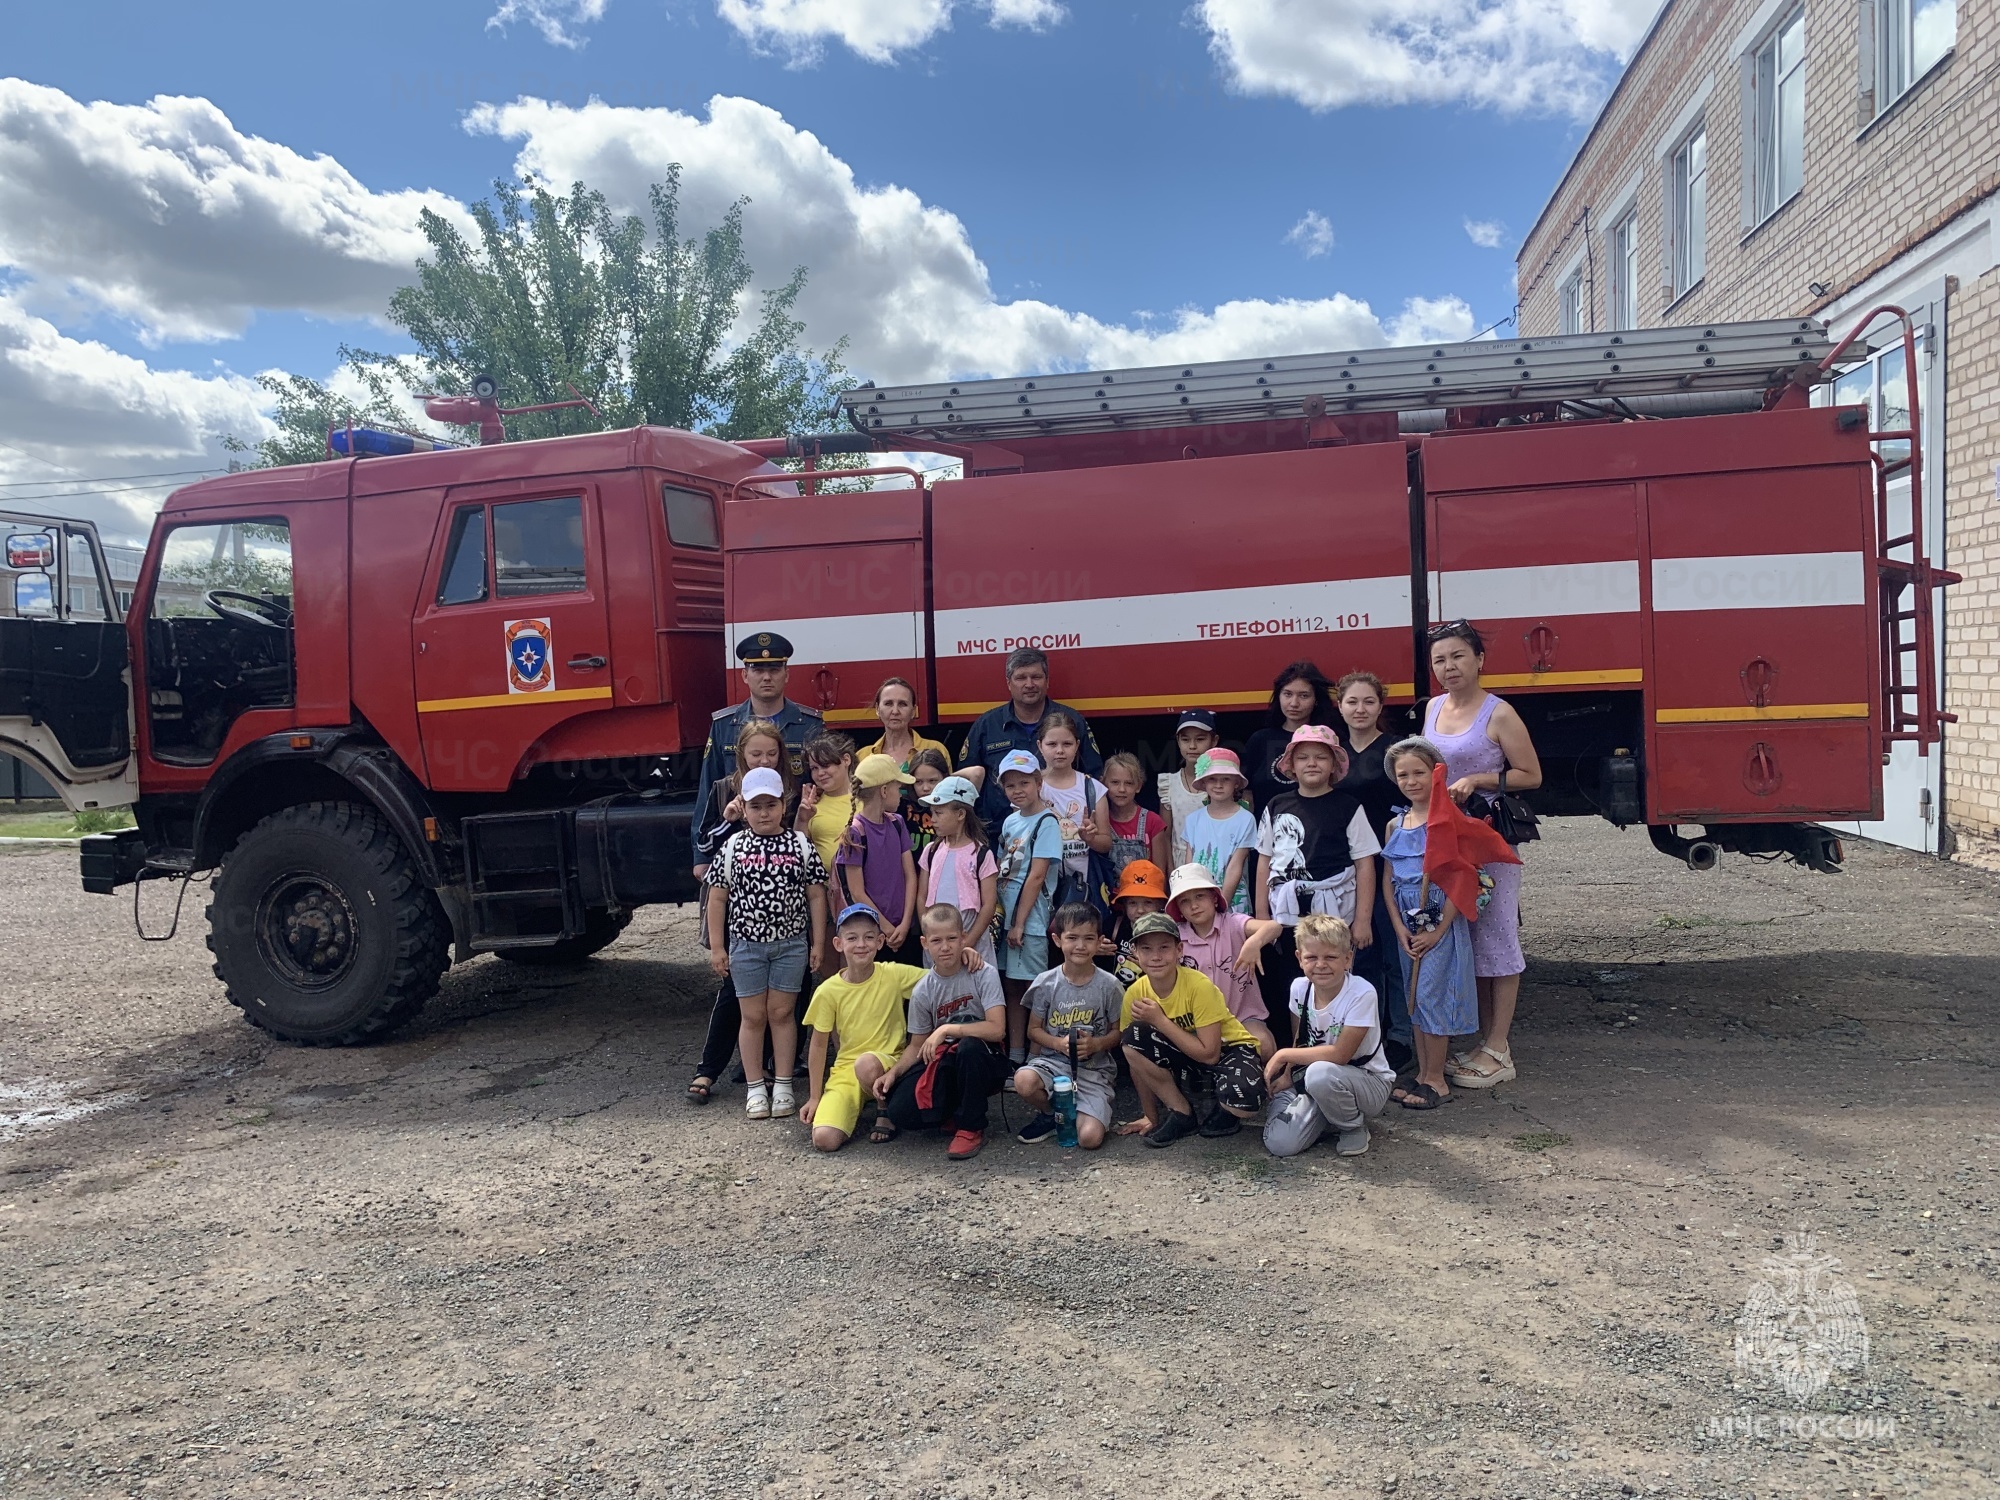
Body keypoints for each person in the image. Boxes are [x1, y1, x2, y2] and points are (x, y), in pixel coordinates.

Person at [1423, 621, 1542, 1090]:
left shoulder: (1500, 714)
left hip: (1488, 839)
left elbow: (1531, 774)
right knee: (1466, 935)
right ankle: (1482, 1043)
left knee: (1498, 937)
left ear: (1478, 660)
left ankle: (1499, 1049)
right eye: (1439, 660)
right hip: (1446, 838)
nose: (1448, 667)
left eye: (1457, 657)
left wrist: (1479, 780)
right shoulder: (1433, 708)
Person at [703, 768, 831, 1121]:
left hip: (790, 945)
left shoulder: (799, 844)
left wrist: (817, 943)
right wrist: (718, 947)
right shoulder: (732, 847)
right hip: (746, 946)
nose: (764, 813)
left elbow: (816, 896)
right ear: (743, 808)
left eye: (771, 805)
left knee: (782, 1013)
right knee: (753, 1015)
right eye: (756, 806)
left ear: (783, 805)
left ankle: (785, 1083)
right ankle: (756, 1086)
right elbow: (716, 899)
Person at [1252, 724, 1381, 1051]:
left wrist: (1362, 920)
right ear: (1290, 766)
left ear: (1334, 765)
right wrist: (1262, 917)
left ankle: (1338, 1048)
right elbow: (1264, 862)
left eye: (1321, 757)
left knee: (1331, 977)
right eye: (1304, 757)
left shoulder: (1348, 807)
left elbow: (1364, 863)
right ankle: (1293, 1050)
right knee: (1290, 984)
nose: (1312, 763)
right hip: (1285, 918)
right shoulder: (1276, 805)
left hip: (1334, 915)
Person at [688, 719, 795, 1107]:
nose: (763, 759)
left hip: (782, 906)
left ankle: (767, 1068)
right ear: (741, 756)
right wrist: (729, 819)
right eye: (755, 754)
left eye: (770, 753)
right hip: (733, 901)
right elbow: (702, 840)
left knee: (780, 996)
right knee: (735, 988)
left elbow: (797, 836)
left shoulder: (789, 790)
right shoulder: (722, 790)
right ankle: (710, 1067)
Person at [1381, 738, 1479, 1110]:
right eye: (1403, 775)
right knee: (1414, 998)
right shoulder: (1395, 824)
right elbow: (1389, 882)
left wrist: (1438, 930)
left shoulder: (1447, 820)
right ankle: (1422, 1072)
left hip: (1438, 920)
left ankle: (1437, 1079)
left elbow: (1462, 880)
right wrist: (1398, 927)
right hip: (1407, 922)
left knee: (1431, 996)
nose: (1411, 781)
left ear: (1435, 773)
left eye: (1418, 772)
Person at [1117, 912, 1268, 1146]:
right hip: (1186, 1053)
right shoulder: (1135, 993)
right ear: (1135, 953)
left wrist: (1161, 1020)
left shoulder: (1198, 985)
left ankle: (1221, 1109)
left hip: (1229, 1049)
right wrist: (1151, 1116)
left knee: (1244, 1101)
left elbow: (1210, 1054)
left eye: (1164, 948)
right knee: (1132, 1038)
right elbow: (1134, 1058)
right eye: (1146, 949)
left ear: (1179, 950)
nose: (1156, 956)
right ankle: (1181, 1112)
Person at [875, 905, 1008, 1159]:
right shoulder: (923, 989)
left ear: (963, 937)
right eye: (937, 941)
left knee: (969, 1047)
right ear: (925, 943)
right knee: (900, 1111)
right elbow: (917, 1045)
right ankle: (952, 1112)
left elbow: (997, 1029)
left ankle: (971, 1127)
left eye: (951, 939)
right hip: (945, 1061)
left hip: (985, 1059)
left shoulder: (983, 973)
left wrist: (946, 1028)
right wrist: (892, 1073)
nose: (945, 947)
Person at [1333, 670, 1412, 1074]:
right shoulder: (1333, 752)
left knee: (1396, 953)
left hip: (1391, 864)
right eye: (1352, 702)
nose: (1360, 709)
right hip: (1347, 868)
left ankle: (1401, 1035)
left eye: (1368, 701)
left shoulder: (1394, 751)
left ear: (1380, 705)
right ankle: (1366, 1031)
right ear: (1340, 706)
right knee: (1361, 956)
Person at [1261, 914, 1393, 1157]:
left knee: (1320, 1074)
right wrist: (1289, 1074)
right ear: (1299, 959)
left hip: (1367, 1081)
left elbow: (1340, 1055)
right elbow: (1301, 1040)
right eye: (1311, 957)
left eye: (1331, 957)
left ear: (1347, 959)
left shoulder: (1362, 993)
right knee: (1280, 1144)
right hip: (1317, 1078)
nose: (1321, 965)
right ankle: (1306, 1107)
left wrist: (1282, 1056)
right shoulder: (1299, 988)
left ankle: (1352, 1126)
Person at [690, 632, 822, 870]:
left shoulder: (810, 726)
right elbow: (707, 790)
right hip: (737, 849)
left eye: (774, 669)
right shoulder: (724, 725)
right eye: (758, 670)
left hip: (794, 844)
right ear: (744, 675)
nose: (767, 677)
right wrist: (701, 858)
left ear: (787, 674)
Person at [800, 905, 923, 1152]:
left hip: (888, 1063)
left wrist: (963, 955)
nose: (861, 945)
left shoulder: (894, 974)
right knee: (824, 1139)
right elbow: (818, 1044)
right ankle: (864, 1099)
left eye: (869, 937)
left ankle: (884, 1109)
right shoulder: (828, 990)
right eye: (852, 938)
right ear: (838, 944)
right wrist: (814, 1096)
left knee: (866, 1064)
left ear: (880, 942)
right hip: (847, 1068)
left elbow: (939, 978)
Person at [1013, 904, 1125, 1150]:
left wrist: (1096, 1044)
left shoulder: (1110, 986)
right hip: (1053, 1064)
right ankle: (1052, 1115)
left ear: (1099, 942)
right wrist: (1058, 1044)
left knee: (1089, 1139)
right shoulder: (1045, 983)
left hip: (1093, 1069)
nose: (1080, 946)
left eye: (1088, 939)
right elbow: (1033, 1030)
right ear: (1057, 939)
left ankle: (1080, 1109)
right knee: (1023, 1080)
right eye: (1072, 938)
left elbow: (1119, 1033)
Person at [959, 648, 1102, 838]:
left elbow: (1093, 777)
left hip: (1061, 836)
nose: (1029, 684)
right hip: (998, 835)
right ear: (1009, 683)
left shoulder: (1071, 722)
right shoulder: (987, 725)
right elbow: (965, 784)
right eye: (1021, 678)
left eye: (1036, 677)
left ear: (1047, 681)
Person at [1167, 863, 1281, 1058]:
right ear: (1179, 909)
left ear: (1214, 897)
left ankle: (1272, 1087)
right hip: (1198, 1020)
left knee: (1264, 1043)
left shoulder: (1233, 923)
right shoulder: (1176, 936)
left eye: (1199, 896)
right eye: (1185, 901)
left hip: (1242, 1016)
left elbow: (1274, 926)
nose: (1193, 905)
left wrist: (1254, 942)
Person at [994, 749, 1064, 1057]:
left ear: (1038, 782)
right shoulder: (1010, 821)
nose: (1017, 790)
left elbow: (1037, 876)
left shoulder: (1047, 822)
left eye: (1024, 783)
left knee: (1034, 991)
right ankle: (1016, 1054)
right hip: (1007, 917)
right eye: (1010, 785)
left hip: (1030, 920)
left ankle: (1037, 1056)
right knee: (1010, 986)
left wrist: (1019, 923)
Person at [836, 754, 920, 964]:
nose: (901, 794)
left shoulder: (897, 823)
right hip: (874, 936)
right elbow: (857, 892)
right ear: (884, 791)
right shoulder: (855, 833)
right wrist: (887, 928)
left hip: (904, 930)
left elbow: (910, 875)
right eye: (897, 788)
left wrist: (905, 922)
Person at [916, 775, 999, 965]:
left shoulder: (981, 854)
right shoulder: (931, 851)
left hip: (972, 941)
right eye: (932, 813)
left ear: (961, 814)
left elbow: (988, 904)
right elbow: (922, 896)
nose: (933, 819)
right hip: (938, 943)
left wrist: (967, 942)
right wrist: (929, 933)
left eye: (939, 813)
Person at [1036, 711, 1111, 902]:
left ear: (1077, 745)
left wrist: (1091, 839)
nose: (1059, 750)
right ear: (1040, 746)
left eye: (1067, 744)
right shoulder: (1030, 788)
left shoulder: (1093, 788)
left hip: (1084, 888)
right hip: (1039, 888)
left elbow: (1106, 844)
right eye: (1052, 744)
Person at [1243, 661, 1337, 814]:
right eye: (1287, 694)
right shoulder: (1260, 740)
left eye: (1304, 696)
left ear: (1316, 700)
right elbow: (1247, 794)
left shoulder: (1328, 739)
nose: (1294, 703)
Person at [1180, 748, 1258, 913]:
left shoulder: (1246, 819)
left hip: (1233, 902)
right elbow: (1190, 865)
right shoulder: (1193, 819)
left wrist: (1221, 905)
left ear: (1236, 783)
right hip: (1198, 902)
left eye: (1226, 779)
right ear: (1204, 782)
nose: (1218, 785)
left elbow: (1235, 866)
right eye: (1212, 779)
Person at [1158, 709, 1221, 870]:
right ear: (1178, 741)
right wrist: (1172, 873)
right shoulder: (1169, 784)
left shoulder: (1221, 783)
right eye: (1185, 739)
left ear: (1214, 741)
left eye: (1200, 739)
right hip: (1181, 864)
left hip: (1216, 862)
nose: (1192, 746)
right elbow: (1166, 835)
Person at [858, 676, 953, 773]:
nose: (895, 711)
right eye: (888, 703)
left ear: (913, 711)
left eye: (902, 704)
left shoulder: (936, 749)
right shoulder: (862, 756)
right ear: (877, 709)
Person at [1100, 751, 1169, 879]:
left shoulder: (1153, 822)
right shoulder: (1100, 821)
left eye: (1129, 783)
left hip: (1145, 896)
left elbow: (1160, 875)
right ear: (1103, 784)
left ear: (1138, 786)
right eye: (1115, 782)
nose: (1122, 789)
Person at [1100, 860, 1168, 987]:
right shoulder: (1113, 925)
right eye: (1133, 903)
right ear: (1124, 904)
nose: (1140, 910)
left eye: (1148, 902)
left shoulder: (1167, 932)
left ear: (1160, 904)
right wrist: (1094, 949)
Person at [797, 732, 858, 872]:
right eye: (814, 768)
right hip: (822, 889)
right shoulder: (811, 804)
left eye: (825, 765)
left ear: (846, 760)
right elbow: (798, 852)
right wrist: (802, 819)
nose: (820, 773)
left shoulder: (867, 797)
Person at [904, 748, 952, 858]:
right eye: (919, 782)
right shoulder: (902, 805)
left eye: (932, 781)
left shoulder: (952, 805)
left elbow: (977, 772)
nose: (925, 788)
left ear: (944, 778)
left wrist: (950, 781)